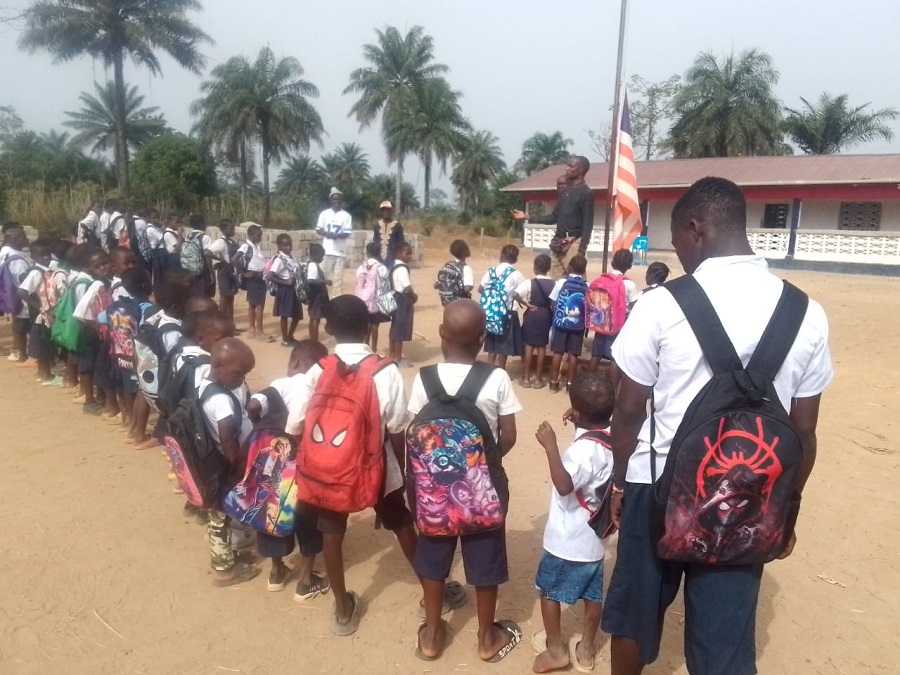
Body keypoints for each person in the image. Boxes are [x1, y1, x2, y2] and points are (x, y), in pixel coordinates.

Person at [602, 177, 834, 675]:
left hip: (656, 487)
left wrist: (619, 483)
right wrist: (787, 511)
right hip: (749, 498)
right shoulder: (807, 314)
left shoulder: (661, 304)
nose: (680, 255)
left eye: (678, 242)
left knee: (634, 617)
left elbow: (628, 410)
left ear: (696, 228)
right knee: (724, 647)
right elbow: (804, 433)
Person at [286, 295, 418, 637]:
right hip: (376, 466)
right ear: (368, 326)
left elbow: (296, 422)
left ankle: (343, 609)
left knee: (332, 530)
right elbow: (398, 426)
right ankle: (433, 589)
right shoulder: (384, 371)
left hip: (328, 469)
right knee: (401, 520)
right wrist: (401, 474)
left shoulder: (320, 368)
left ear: (328, 328)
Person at [408, 299, 523, 663]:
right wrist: (481, 465)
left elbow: (415, 431)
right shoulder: (497, 377)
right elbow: (509, 435)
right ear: (482, 338)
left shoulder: (424, 378)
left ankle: (431, 635)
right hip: (482, 487)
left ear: (441, 333)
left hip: (433, 490)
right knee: (485, 553)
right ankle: (486, 638)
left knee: (433, 551)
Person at [532, 372, 614, 674]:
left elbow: (565, 485)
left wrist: (551, 447)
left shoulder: (580, 451)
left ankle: (556, 650)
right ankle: (586, 650)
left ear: (577, 412)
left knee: (548, 591)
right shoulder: (616, 436)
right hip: (595, 539)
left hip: (566, 540)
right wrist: (581, 419)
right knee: (593, 595)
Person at [246, 339, 330, 597]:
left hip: (274, 464)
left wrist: (262, 427)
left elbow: (253, 405)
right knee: (308, 517)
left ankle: (276, 572)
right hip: (305, 466)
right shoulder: (317, 389)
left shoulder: (280, 384)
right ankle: (306, 579)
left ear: (294, 362)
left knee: (272, 512)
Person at [199, 337, 260, 587]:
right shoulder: (222, 400)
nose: (242, 379)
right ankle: (223, 570)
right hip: (225, 467)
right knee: (220, 518)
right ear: (218, 366)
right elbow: (227, 439)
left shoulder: (205, 385)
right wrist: (239, 466)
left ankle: (227, 554)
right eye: (239, 373)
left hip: (213, 464)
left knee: (220, 515)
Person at [511, 157, 594, 278]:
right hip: (558, 244)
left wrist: (581, 251)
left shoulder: (586, 193)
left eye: (571, 166)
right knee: (556, 282)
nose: (567, 169)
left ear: (581, 170)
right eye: (567, 165)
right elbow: (553, 217)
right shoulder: (566, 192)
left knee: (576, 281)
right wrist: (527, 217)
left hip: (573, 245)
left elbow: (588, 224)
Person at [587, 248, 640, 375]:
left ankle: (588, 380)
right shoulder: (629, 284)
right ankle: (612, 384)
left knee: (596, 355)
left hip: (601, 323)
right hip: (619, 326)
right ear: (629, 266)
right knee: (615, 358)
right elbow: (635, 307)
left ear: (612, 263)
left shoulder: (602, 279)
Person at [478, 244, 527, 370]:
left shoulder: (491, 272)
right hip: (508, 313)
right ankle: (501, 370)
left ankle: (489, 370)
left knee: (492, 344)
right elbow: (521, 293)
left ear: (502, 255)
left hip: (491, 313)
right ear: (515, 258)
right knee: (503, 346)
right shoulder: (517, 275)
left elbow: (480, 289)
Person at [548, 254, 589, 392]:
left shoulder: (561, 282)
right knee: (573, 355)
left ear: (570, 267)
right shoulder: (587, 285)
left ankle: (553, 383)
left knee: (558, 353)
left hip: (561, 324)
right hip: (578, 326)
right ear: (584, 270)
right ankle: (570, 385)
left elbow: (552, 302)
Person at [17, 239, 56, 382]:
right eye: (42, 255)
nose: (46, 258)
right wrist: (38, 306)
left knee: (45, 342)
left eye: (48, 254)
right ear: (33, 257)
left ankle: (43, 371)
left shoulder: (47, 271)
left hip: (46, 314)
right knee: (43, 344)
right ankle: (45, 373)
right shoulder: (36, 273)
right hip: (41, 315)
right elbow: (22, 291)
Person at [517, 253, 555, 389]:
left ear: (535, 268)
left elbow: (515, 294)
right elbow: (555, 302)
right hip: (545, 315)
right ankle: (538, 379)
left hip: (532, 314)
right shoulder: (554, 284)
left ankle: (526, 378)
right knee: (541, 347)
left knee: (528, 346)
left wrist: (526, 304)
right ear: (548, 268)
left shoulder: (529, 283)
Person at [1, 222, 33, 364]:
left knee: (19, 324)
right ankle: (25, 354)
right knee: (24, 325)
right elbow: (23, 279)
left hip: (12, 294)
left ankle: (20, 352)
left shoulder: (5, 251)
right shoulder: (16, 258)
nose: (25, 239)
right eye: (21, 236)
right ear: (11, 239)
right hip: (23, 297)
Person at [234, 224, 271, 342]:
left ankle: (252, 330)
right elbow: (234, 259)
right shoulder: (246, 246)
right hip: (255, 277)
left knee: (253, 304)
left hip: (258, 277)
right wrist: (243, 273)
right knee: (259, 305)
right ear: (250, 235)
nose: (260, 237)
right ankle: (259, 332)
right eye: (258, 235)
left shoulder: (255, 247)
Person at [267, 233, 305, 347]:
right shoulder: (280, 259)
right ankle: (285, 339)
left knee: (297, 315)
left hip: (294, 290)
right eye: (285, 245)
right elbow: (270, 275)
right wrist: (285, 282)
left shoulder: (292, 257)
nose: (288, 247)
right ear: (279, 246)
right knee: (285, 315)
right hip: (285, 290)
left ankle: (290, 336)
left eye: (290, 245)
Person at [355, 241, 391, 354]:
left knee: (366, 324)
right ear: (379, 252)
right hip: (376, 300)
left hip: (362, 300)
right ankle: (374, 349)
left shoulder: (362, 267)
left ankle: (366, 346)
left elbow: (358, 281)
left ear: (367, 253)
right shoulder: (382, 267)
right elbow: (385, 285)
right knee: (375, 324)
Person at [316, 188, 352, 296]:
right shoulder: (324, 214)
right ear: (330, 200)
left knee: (337, 282)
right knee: (323, 278)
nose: (336, 201)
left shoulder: (346, 216)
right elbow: (319, 229)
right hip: (326, 252)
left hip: (340, 253)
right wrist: (327, 234)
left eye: (338, 199)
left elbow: (347, 233)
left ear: (341, 200)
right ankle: (322, 300)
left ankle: (336, 302)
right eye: (334, 199)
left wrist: (337, 236)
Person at [389, 241, 417, 367]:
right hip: (402, 299)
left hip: (395, 297)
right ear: (398, 254)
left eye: (411, 253)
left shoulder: (394, 266)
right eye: (407, 253)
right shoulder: (402, 269)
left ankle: (392, 354)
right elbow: (407, 288)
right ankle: (398, 358)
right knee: (399, 330)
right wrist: (414, 297)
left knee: (394, 327)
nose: (410, 256)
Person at [209, 219, 239, 322]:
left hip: (231, 271)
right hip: (224, 271)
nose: (233, 231)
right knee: (224, 297)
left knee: (231, 297)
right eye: (231, 228)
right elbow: (207, 252)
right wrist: (220, 260)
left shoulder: (231, 242)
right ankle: (220, 322)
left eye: (233, 228)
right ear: (223, 229)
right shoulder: (220, 242)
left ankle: (230, 323)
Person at [180, 214, 214, 297]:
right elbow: (207, 256)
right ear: (203, 224)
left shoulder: (189, 236)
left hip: (188, 269)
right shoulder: (205, 237)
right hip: (201, 271)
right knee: (201, 294)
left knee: (191, 293)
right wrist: (211, 272)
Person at [434, 239, 474, 306]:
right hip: (460, 305)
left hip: (446, 304)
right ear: (465, 251)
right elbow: (467, 288)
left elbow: (436, 285)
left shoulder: (447, 266)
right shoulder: (466, 268)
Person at [305, 243, 331, 342]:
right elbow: (310, 281)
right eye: (321, 256)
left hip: (316, 296)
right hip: (317, 297)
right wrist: (325, 281)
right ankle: (314, 340)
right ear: (316, 255)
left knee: (313, 317)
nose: (322, 258)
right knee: (316, 318)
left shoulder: (313, 265)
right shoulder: (313, 266)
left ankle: (312, 339)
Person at [373, 200, 404, 266]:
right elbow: (375, 242)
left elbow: (401, 243)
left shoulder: (397, 226)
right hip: (379, 260)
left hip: (392, 259)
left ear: (391, 210)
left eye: (387, 209)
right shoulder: (377, 225)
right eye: (383, 210)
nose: (385, 212)